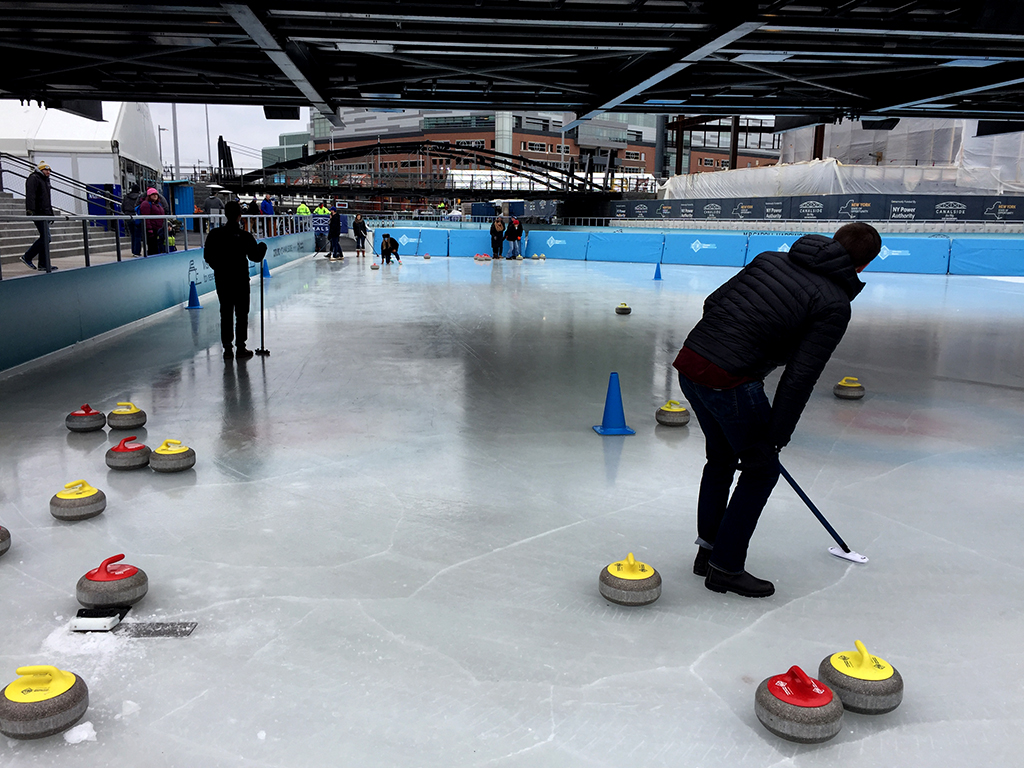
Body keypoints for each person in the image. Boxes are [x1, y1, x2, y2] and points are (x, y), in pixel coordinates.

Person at [675, 223, 882, 599]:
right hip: (730, 379)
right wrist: (774, 439)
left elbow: (713, 302)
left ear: (834, 243)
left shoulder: (769, 259)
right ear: (863, 267)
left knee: (720, 459)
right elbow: (800, 376)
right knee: (760, 470)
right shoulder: (835, 302)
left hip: (691, 362)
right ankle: (725, 568)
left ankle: (708, 552)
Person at [203, 200, 268, 361]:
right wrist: (262, 247)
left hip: (223, 280)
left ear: (225, 215)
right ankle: (240, 347)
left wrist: (218, 267)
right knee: (241, 314)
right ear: (240, 216)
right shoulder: (245, 236)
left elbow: (208, 256)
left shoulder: (215, 234)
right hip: (240, 280)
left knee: (225, 313)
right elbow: (255, 256)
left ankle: (227, 349)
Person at [21, 162, 56, 272]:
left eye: (49, 170)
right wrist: (30, 210)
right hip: (38, 212)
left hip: (45, 213)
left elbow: (47, 199)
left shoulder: (45, 180)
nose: (48, 172)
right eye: (46, 170)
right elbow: (30, 195)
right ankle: (27, 256)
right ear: (41, 170)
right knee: (46, 237)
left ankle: (43, 264)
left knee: (45, 238)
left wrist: (51, 213)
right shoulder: (34, 178)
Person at [139, 187, 166, 255]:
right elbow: (146, 217)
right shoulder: (146, 204)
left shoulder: (158, 204)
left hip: (158, 229)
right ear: (149, 196)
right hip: (152, 229)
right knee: (152, 247)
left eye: (156, 194)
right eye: (153, 194)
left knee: (158, 246)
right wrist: (149, 229)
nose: (155, 196)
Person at [122, 183, 144, 256]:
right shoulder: (140, 197)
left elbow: (123, 207)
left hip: (128, 216)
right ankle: (137, 251)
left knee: (132, 234)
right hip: (137, 217)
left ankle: (133, 250)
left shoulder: (126, 197)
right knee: (138, 235)